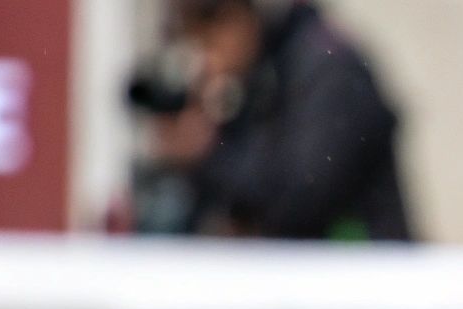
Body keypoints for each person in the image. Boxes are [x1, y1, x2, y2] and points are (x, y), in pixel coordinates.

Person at [137, 0, 413, 240]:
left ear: (236, 20)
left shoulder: (327, 71)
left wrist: (207, 154)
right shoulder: (269, 70)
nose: (206, 62)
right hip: (317, 281)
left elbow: (304, 195)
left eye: (207, 42)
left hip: (359, 281)